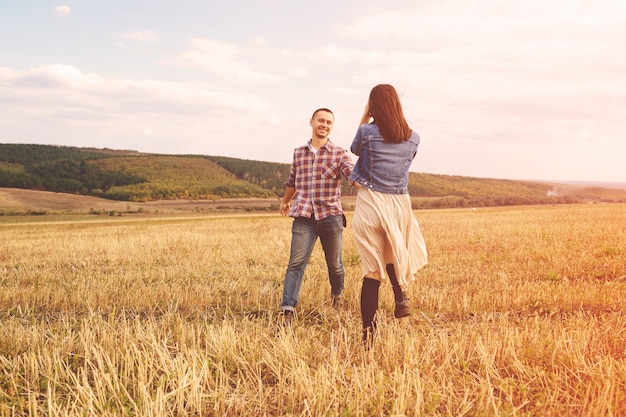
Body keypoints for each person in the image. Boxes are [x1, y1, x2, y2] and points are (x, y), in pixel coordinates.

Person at [349, 84, 428, 347]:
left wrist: (364, 116)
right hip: (399, 204)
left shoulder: (366, 132)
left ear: (373, 105)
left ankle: (368, 335)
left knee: (372, 270)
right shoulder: (414, 137)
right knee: (393, 252)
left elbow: (355, 150)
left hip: (371, 201)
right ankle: (400, 295)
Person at [279, 108, 354, 325]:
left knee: (335, 264)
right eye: (321, 120)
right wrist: (285, 200)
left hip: (331, 216)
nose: (325, 124)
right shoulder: (298, 152)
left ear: (332, 126)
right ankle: (287, 309)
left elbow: (351, 173)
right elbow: (292, 180)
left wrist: (360, 179)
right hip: (303, 215)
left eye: (329, 122)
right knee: (296, 262)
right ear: (311, 122)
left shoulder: (340, 153)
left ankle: (337, 295)